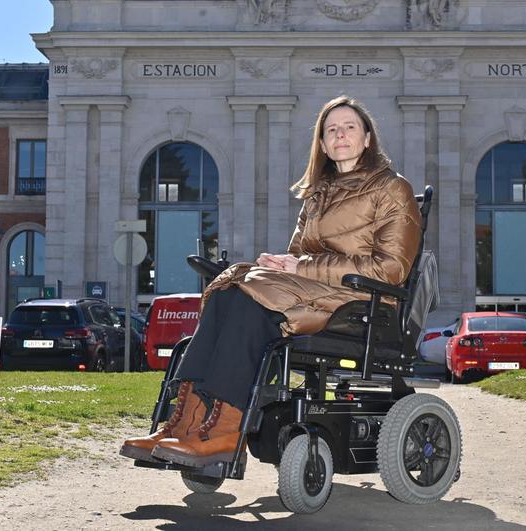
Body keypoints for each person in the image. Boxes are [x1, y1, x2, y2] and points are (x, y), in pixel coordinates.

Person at [120, 95, 422, 467]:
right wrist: (281, 264)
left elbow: (391, 269)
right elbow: (299, 256)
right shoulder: (318, 194)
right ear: (323, 145)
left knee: (249, 302)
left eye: (349, 127)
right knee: (229, 291)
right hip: (315, 293)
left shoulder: (392, 188)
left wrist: (300, 267)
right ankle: (183, 424)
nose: (340, 135)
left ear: (367, 139)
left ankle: (224, 432)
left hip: (363, 302)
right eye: (331, 130)